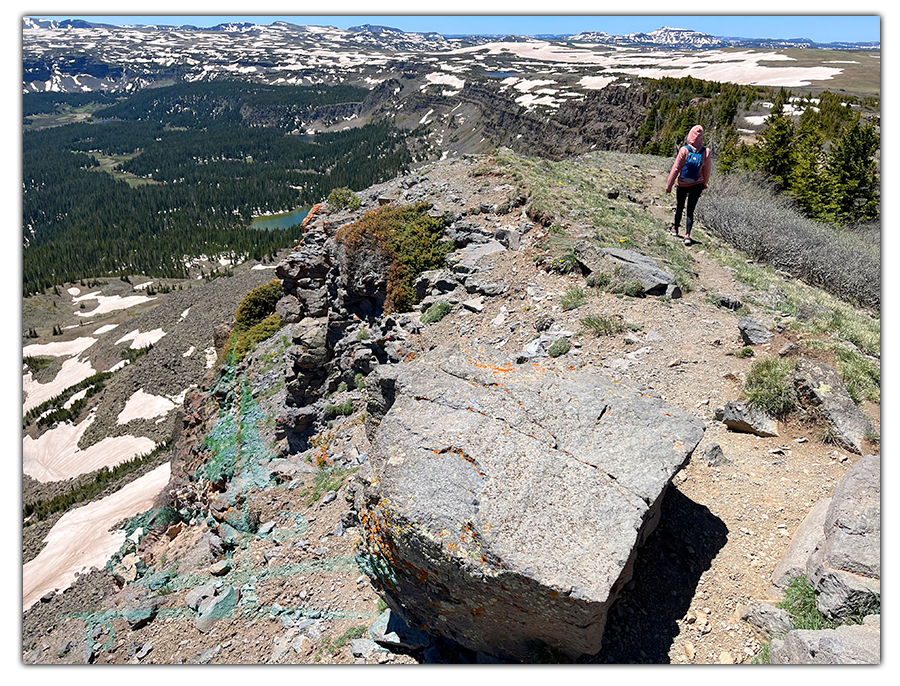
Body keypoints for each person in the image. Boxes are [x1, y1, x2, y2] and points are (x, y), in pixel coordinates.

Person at [665, 125, 711, 246]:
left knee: (680, 206)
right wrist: (704, 183)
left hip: (682, 184)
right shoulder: (706, 151)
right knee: (690, 210)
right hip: (697, 184)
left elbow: (675, 169)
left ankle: (675, 229)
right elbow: (706, 171)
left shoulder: (684, 150)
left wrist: (669, 185)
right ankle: (687, 235)